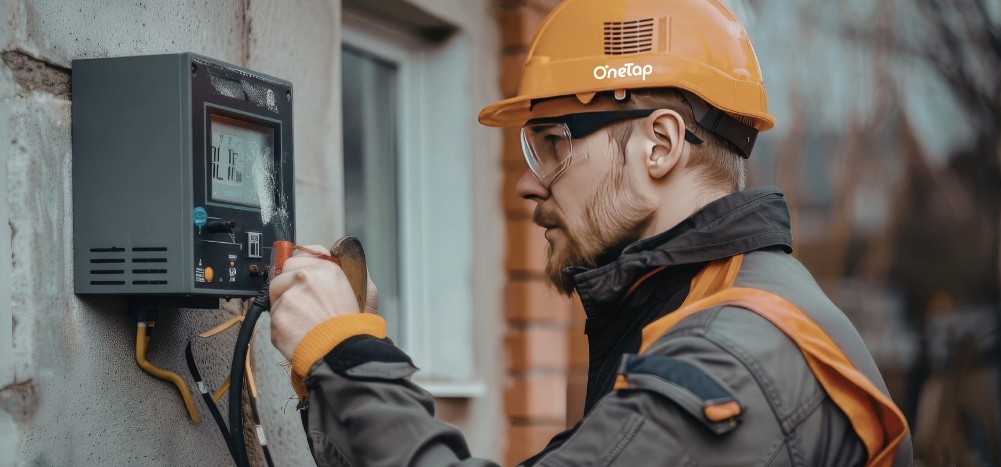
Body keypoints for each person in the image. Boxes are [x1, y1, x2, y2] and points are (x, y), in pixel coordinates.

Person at [268, 0, 912, 465]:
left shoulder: (736, 358)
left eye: (552, 143)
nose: (529, 182)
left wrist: (346, 357)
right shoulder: (687, 313)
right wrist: (335, 385)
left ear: (659, 145)